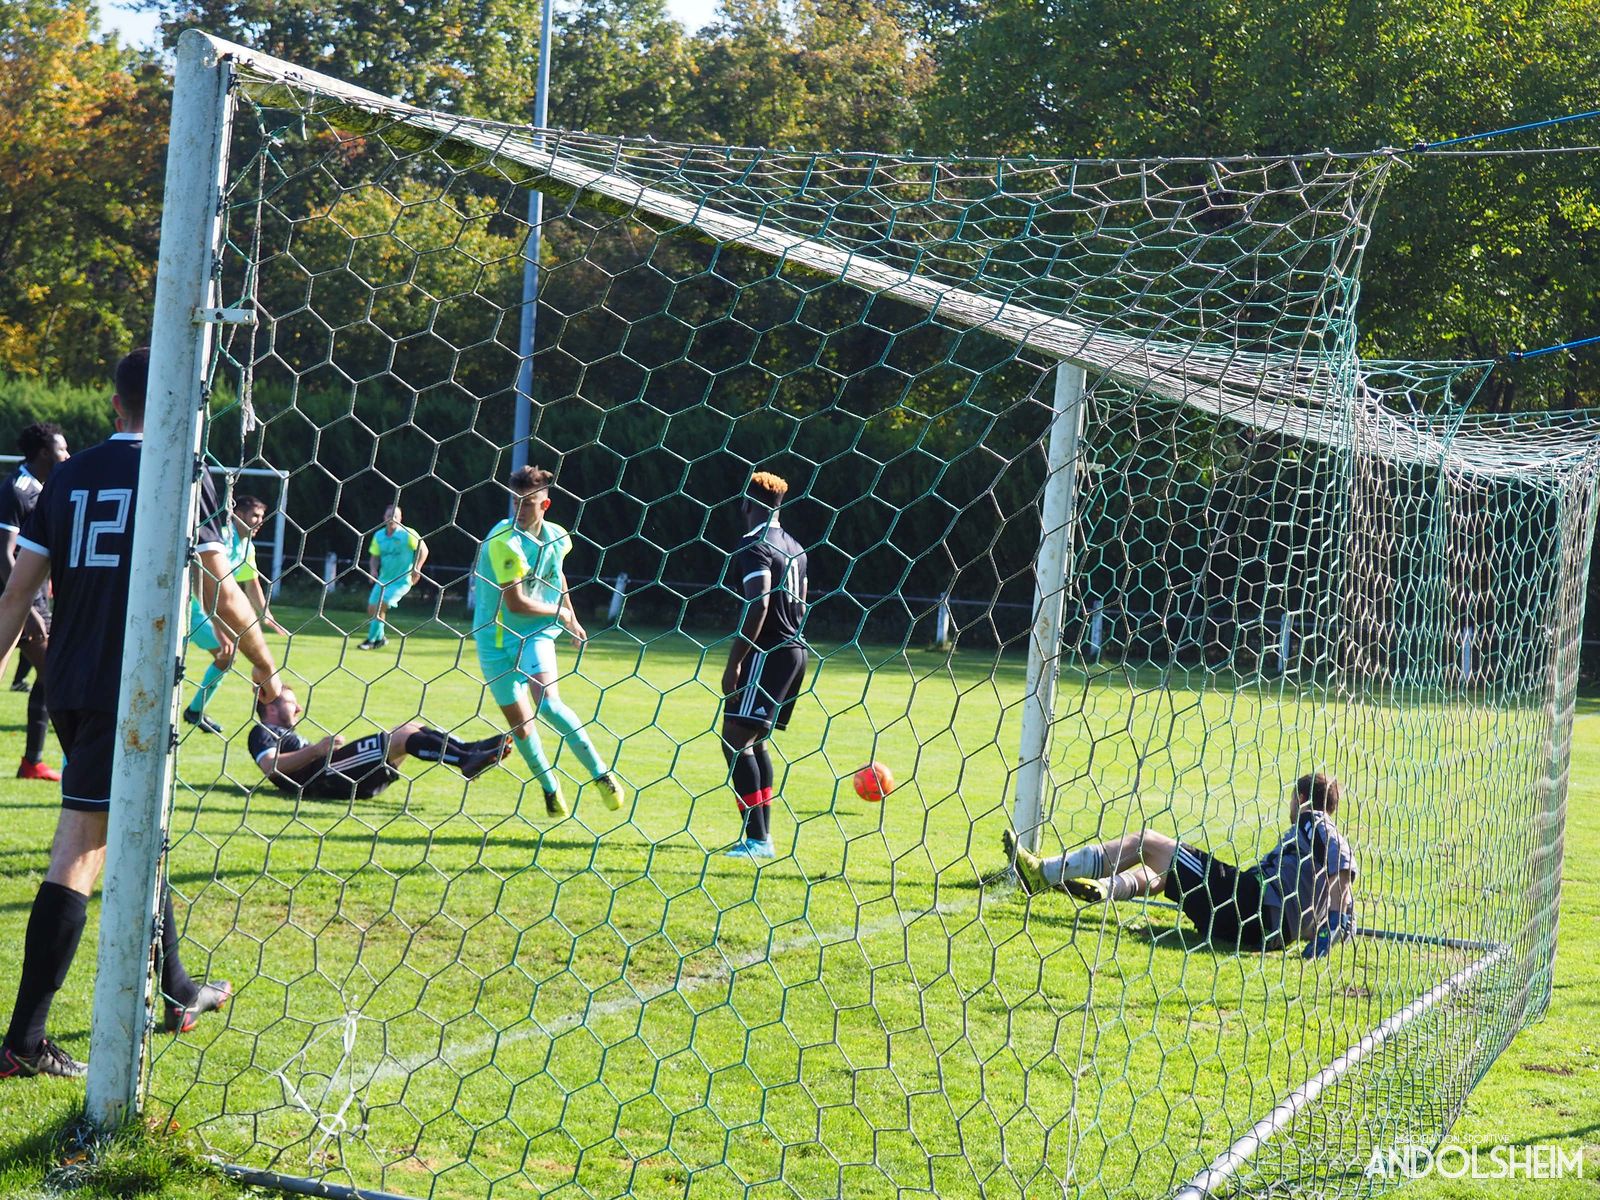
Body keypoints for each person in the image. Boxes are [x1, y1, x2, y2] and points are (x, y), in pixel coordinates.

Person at [0, 348, 284, 1078]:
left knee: (139, 830)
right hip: (128, 691)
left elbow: (16, 594)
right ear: (180, 399)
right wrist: (267, 669)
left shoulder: (67, 477)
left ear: (114, 402)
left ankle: (178, 987)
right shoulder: (184, 473)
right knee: (81, 847)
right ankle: (24, 1043)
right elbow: (221, 589)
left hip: (70, 683)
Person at [1004, 772, 1357, 957]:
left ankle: (1043, 872)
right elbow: (1336, 905)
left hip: (1250, 905)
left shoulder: (1314, 821)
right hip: (1263, 929)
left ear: (1300, 797)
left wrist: (1331, 928)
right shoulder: (1312, 855)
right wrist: (1330, 927)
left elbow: (1342, 868)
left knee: (1148, 842)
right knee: (1165, 872)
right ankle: (1104, 888)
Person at [473, 465, 624, 819]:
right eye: (515, 502)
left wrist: (572, 617)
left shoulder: (557, 536)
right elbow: (515, 603)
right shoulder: (503, 542)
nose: (519, 510)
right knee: (521, 726)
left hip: (534, 634)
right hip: (494, 640)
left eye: (527, 503)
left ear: (545, 505)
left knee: (549, 703)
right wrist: (562, 614)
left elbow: (558, 576)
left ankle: (601, 775)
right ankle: (549, 786)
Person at [719, 471, 809, 860]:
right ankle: (760, 836)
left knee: (734, 739)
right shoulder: (795, 547)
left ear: (747, 504)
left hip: (768, 652)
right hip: (795, 651)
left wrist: (735, 663)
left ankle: (758, 839)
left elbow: (759, 604)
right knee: (753, 740)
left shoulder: (754, 545)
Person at [249, 686, 509, 799]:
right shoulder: (261, 732)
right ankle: (465, 760)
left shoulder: (281, 732)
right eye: (292, 703)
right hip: (323, 778)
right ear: (270, 707)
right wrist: (317, 750)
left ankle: (469, 750)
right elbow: (271, 767)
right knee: (402, 737)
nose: (299, 708)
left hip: (335, 774)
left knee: (412, 726)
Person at [182, 493, 288, 735]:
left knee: (226, 656)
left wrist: (266, 614)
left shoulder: (247, 546)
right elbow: (204, 578)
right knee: (226, 653)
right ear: (238, 515)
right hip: (194, 608)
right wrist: (220, 627)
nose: (260, 521)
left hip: (211, 611)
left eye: (262, 517)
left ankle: (195, 710)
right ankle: (194, 710)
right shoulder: (220, 537)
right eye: (255, 516)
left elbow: (251, 583)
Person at [0, 422, 69, 780]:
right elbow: (3, 554)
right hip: (15, 600)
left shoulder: (43, 488)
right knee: (57, 674)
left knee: (52, 673)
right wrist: (24, 607)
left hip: (32, 598)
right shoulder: (18, 489)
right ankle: (52, 760)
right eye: (62, 449)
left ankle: (33, 761)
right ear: (44, 452)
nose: (67, 455)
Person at [360, 504, 428, 650]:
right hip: (383, 580)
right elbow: (374, 556)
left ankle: (371, 640)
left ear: (400, 518)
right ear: (384, 517)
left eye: (395, 516)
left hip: (402, 581)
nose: (392, 519)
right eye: (389, 516)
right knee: (372, 609)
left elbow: (423, 549)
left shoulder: (408, 533)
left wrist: (417, 567)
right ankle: (380, 638)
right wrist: (373, 570)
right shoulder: (379, 535)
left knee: (380, 606)